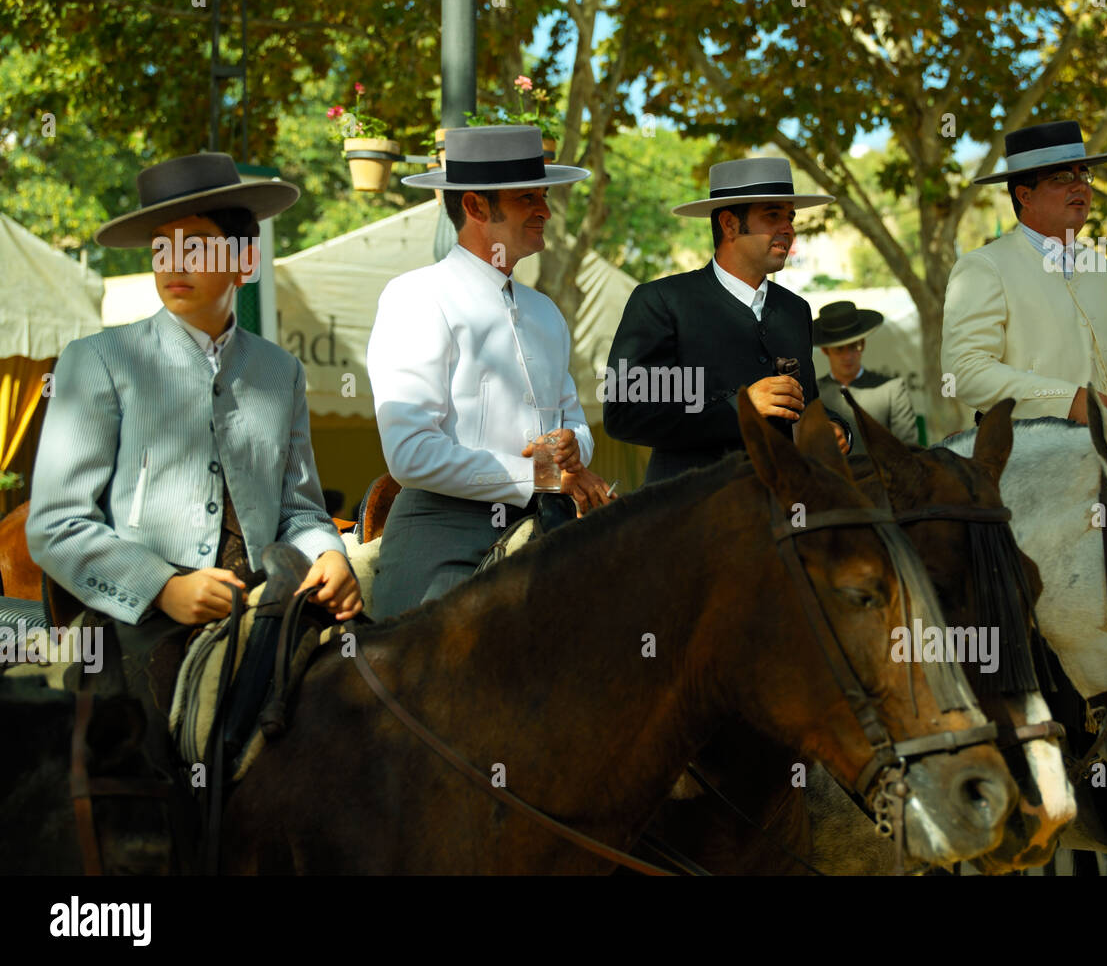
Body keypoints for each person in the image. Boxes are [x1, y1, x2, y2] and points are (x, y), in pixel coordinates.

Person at [26, 152, 360, 628]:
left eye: (197, 246)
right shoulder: (98, 359)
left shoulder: (281, 371)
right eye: (162, 247)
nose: (173, 262)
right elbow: (55, 525)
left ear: (245, 262)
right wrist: (162, 588)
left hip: (261, 606)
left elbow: (297, 511)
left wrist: (329, 555)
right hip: (136, 617)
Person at [367, 125, 612, 616]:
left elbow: (578, 427)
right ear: (477, 207)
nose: (544, 210)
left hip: (549, 533)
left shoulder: (545, 312)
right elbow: (411, 455)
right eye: (528, 199)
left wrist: (571, 446)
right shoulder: (416, 296)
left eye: (543, 196)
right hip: (445, 540)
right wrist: (544, 474)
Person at [604, 157, 850, 483]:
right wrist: (740, 407)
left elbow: (804, 402)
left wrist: (832, 427)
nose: (788, 228)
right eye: (773, 215)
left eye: (790, 217)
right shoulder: (663, 302)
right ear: (730, 225)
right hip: (694, 514)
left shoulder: (795, 310)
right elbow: (626, 413)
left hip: (785, 513)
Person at [941, 120, 1107, 426]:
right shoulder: (983, 267)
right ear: (1025, 196)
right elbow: (964, 372)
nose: (1080, 186)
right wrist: (1068, 401)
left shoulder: (1099, 267)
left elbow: (1105, 363)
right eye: (1062, 177)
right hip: (1026, 462)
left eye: (1083, 174)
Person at [814, 302, 918, 451]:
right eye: (839, 349)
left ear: (862, 344)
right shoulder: (813, 394)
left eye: (853, 346)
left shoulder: (892, 390)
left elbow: (908, 449)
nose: (847, 356)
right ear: (825, 350)